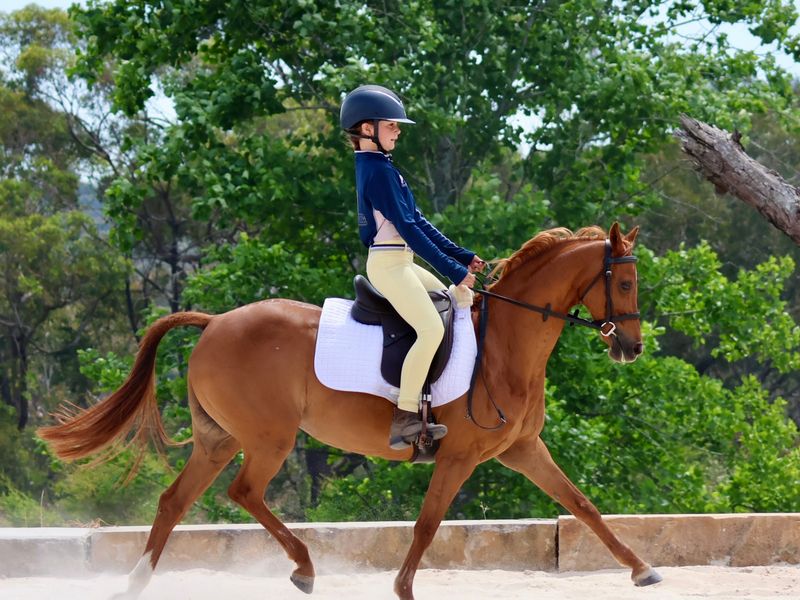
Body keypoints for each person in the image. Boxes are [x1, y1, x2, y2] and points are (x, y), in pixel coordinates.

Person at [340, 84, 485, 450]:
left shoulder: (383, 167)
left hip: (400, 260)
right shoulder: (377, 172)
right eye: (391, 125)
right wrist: (454, 269)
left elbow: (418, 222)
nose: (399, 131)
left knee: (454, 299)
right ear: (367, 128)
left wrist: (462, 256)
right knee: (431, 328)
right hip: (389, 266)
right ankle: (405, 416)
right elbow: (409, 231)